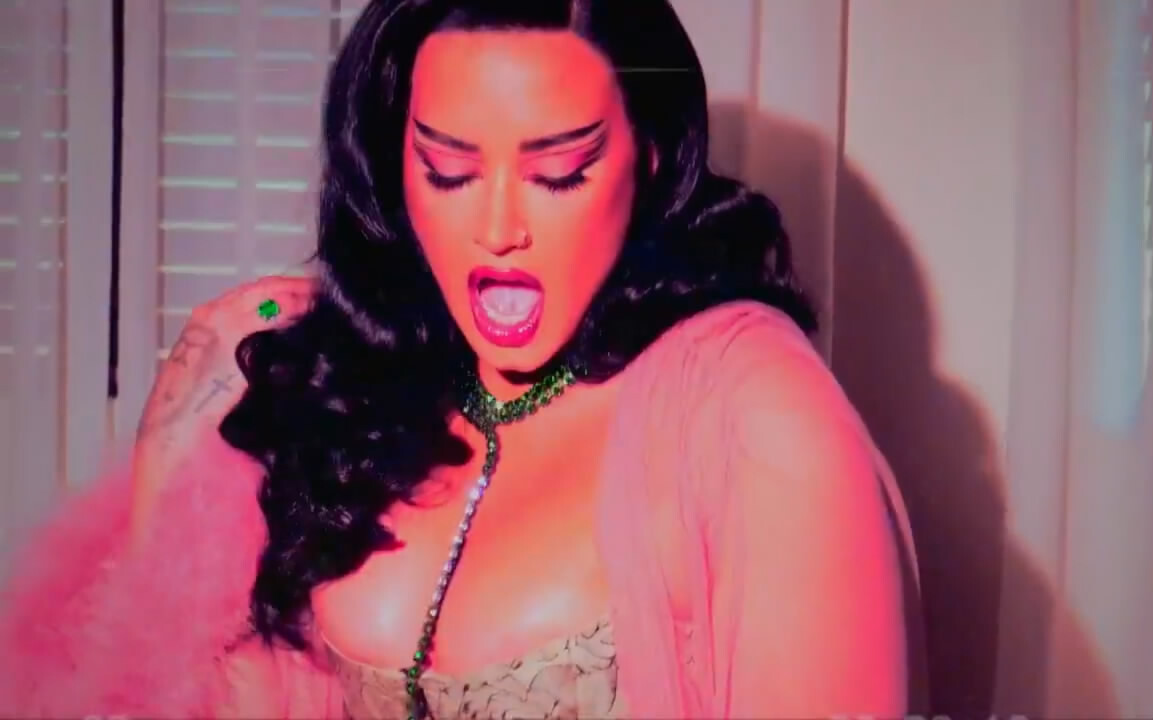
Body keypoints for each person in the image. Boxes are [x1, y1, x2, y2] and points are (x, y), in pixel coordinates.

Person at [0, 0, 922, 717]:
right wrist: (170, 470)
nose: (498, 228)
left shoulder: (754, 414)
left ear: (650, 159)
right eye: (449, 171)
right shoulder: (371, 386)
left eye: (559, 172)